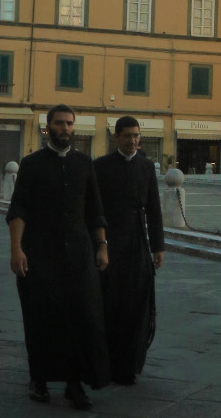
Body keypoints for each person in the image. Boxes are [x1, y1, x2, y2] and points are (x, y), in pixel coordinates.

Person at [6, 104, 110, 410]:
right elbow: (18, 209)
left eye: (69, 124)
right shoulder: (31, 164)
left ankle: (74, 384)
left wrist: (102, 245)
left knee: (81, 318)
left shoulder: (84, 164)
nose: (65, 128)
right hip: (39, 253)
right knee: (40, 316)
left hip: (78, 254)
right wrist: (16, 249)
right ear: (47, 127)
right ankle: (38, 378)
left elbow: (95, 210)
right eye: (59, 123)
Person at [94, 116, 164, 385]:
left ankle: (129, 364)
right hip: (108, 240)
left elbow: (154, 210)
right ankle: (107, 362)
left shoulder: (146, 167)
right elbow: (94, 207)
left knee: (137, 304)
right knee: (110, 304)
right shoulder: (100, 167)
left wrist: (158, 246)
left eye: (136, 136)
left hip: (137, 242)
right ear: (116, 137)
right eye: (128, 136)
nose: (133, 141)